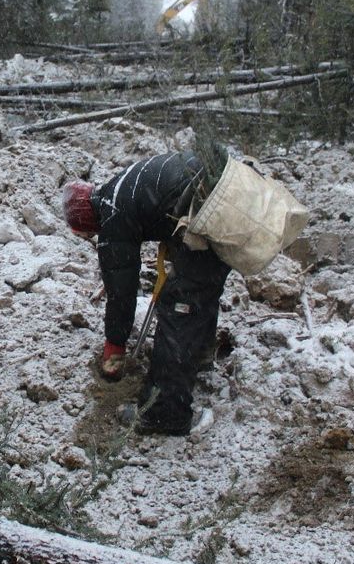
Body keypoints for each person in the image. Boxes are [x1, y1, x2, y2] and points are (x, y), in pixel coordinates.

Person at [62, 150, 231, 435]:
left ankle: (165, 414)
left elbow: (121, 292)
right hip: (223, 192)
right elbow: (162, 196)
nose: (91, 237)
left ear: (87, 220)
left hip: (210, 205)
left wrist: (114, 346)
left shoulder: (111, 215)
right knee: (200, 287)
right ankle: (198, 356)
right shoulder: (119, 187)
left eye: (87, 233)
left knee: (179, 306)